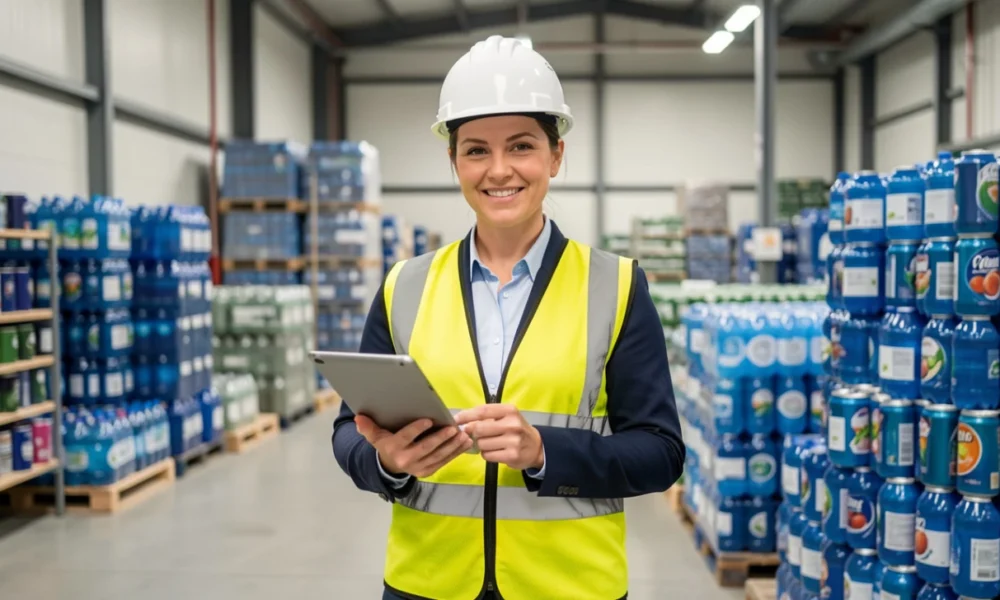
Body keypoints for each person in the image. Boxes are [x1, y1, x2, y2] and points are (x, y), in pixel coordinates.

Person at [332, 35, 685, 600]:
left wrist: (545, 453)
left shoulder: (616, 286)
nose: (499, 171)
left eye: (521, 146)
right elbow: (350, 431)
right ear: (453, 161)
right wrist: (388, 463)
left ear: (555, 155)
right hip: (427, 584)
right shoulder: (405, 286)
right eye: (475, 150)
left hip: (570, 588)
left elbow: (661, 452)